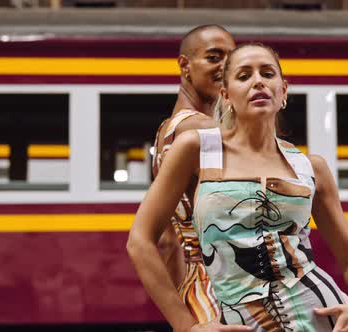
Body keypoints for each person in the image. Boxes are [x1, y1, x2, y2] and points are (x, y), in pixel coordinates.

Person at [128, 43, 348, 332]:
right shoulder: (196, 148)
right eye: (244, 76)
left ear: (283, 91)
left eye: (267, 73)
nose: (258, 80)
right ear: (226, 95)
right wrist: (187, 327)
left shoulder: (310, 166)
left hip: (319, 316)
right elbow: (140, 241)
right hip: (238, 321)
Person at [148, 24, 236, 324]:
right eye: (214, 57)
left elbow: (166, 242)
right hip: (227, 291)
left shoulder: (166, 132)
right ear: (185, 65)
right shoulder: (203, 130)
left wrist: (184, 320)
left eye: (231, 58)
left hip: (196, 291)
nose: (225, 66)